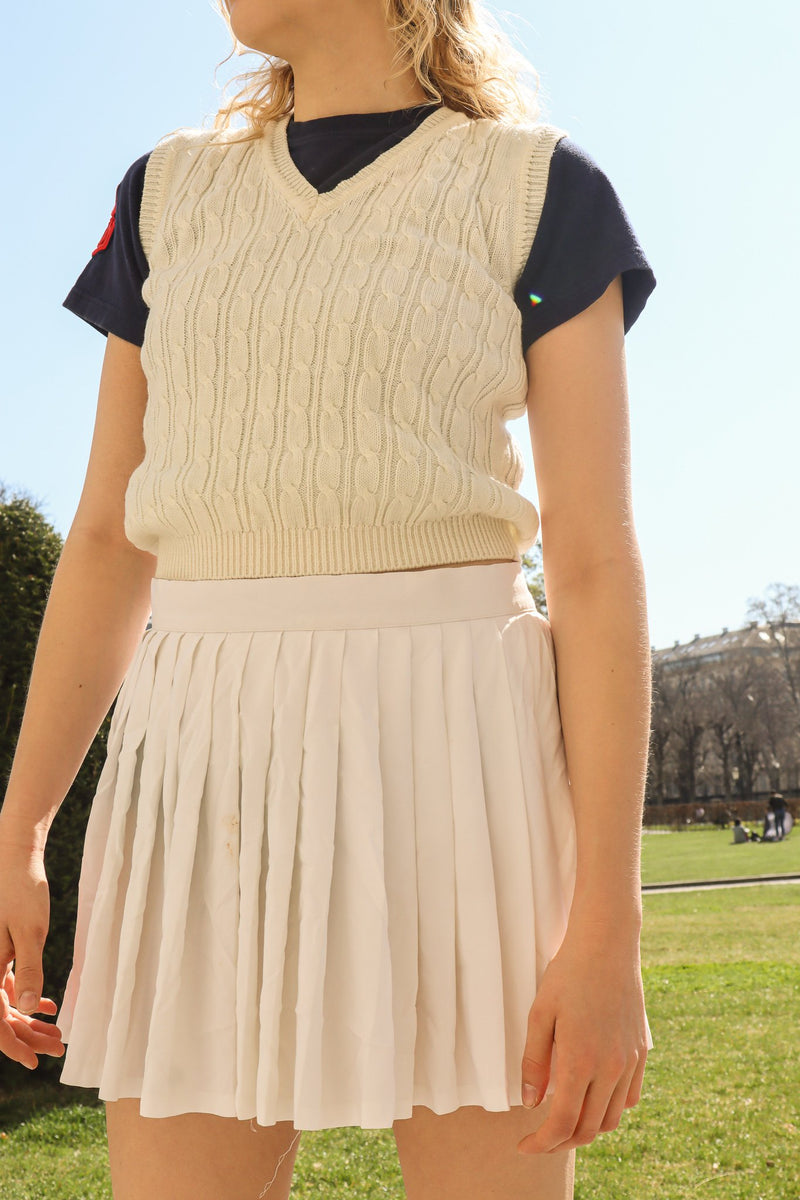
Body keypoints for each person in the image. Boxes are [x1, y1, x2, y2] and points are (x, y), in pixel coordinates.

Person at [0, 2, 657, 1198]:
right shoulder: (164, 196)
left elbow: (591, 562)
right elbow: (104, 538)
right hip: (198, 755)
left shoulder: (538, 190)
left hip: (461, 750)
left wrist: (606, 929)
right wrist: (23, 823)